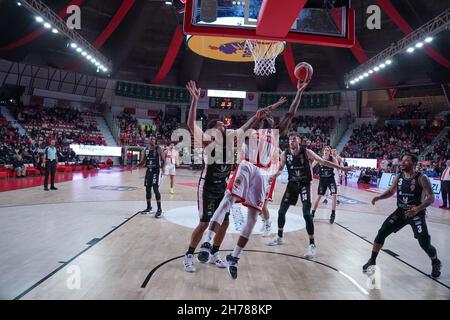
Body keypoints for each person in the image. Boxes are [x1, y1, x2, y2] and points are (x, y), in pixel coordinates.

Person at [182, 80, 283, 272]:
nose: (223, 126)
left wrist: (257, 115)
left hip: (222, 185)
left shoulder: (232, 141)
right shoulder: (207, 142)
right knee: (204, 222)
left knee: (225, 223)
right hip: (208, 186)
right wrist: (194, 101)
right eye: (220, 125)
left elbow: (247, 125)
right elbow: (189, 124)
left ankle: (214, 253)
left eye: (224, 125)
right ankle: (188, 255)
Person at [268, 134, 351, 259]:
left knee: (307, 214)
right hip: (292, 185)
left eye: (294, 139)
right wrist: (274, 176)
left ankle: (312, 246)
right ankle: (279, 236)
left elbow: (323, 161)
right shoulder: (285, 154)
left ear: (299, 141)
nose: (292, 141)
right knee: (281, 211)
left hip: (305, 185)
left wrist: (342, 168)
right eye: (290, 140)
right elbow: (280, 169)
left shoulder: (307, 152)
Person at [363, 154, 442, 278]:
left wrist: (417, 209)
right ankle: (372, 260)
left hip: (416, 213)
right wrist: (379, 197)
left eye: (407, 161)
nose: (403, 162)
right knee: (382, 232)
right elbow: (391, 191)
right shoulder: (399, 176)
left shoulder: (422, 178)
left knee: (424, 243)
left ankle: (435, 261)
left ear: (414, 163)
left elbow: (431, 197)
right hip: (400, 212)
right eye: (403, 160)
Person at [259, 79, 310, 238]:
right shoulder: (254, 133)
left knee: (262, 204)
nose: (270, 118)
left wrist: (299, 92)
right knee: (253, 204)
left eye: (271, 118)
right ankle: (264, 221)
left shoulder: (276, 132)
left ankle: (267, 224)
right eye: (267, 117)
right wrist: (273, 105)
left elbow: (290, 113)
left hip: (268, 172)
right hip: (255, 170)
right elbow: (260, 112)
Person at [311, 147, 339, 224]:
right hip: (322, 180)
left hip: (331, 179)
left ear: (330, 152)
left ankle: (333, 214)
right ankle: (312, 213)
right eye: (325, 150)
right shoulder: (319, 158)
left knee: (334, 195)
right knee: (319, 196)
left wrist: (340, 174)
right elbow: (311, 167)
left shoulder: (332, 158)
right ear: (323, 151)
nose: (326, 151)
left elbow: (338, 167)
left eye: (328, 150)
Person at [137, 136, 163, 217]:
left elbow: (163, 159)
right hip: (149, 171)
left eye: (153, 139)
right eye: (151, 139)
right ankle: (149, 207)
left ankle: (159, 209)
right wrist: (136, 165)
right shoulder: (146, 149)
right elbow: (144, 160)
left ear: (155, 140)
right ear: (149, 140)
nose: (152, 140)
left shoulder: (158, 148)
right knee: (147, 189)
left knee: (155, 189)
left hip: (156, 171)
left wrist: (163, 168)